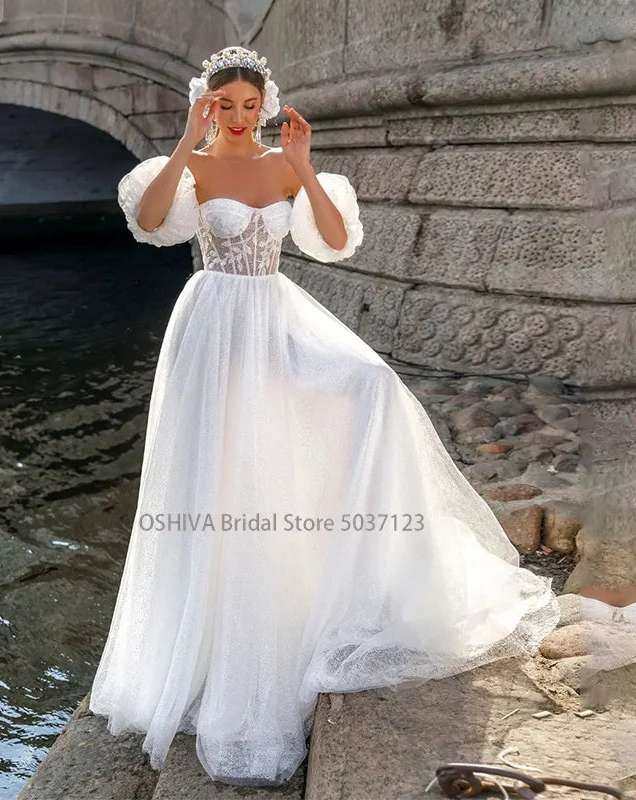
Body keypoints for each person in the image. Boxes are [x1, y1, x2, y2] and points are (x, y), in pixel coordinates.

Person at [88, 45, 561, 787]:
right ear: (208, 105)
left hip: (276, 317)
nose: (240, 119)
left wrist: (304, 166)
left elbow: (335, 243)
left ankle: (329, 584)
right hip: (213, 329)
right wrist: (185, 142)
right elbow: (151, 223)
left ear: (266, 105)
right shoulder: (194, 164)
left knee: (368, 386)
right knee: (219, 478)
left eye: (250, 107)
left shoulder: (283, 164)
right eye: (225, 107)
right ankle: (215, 647)